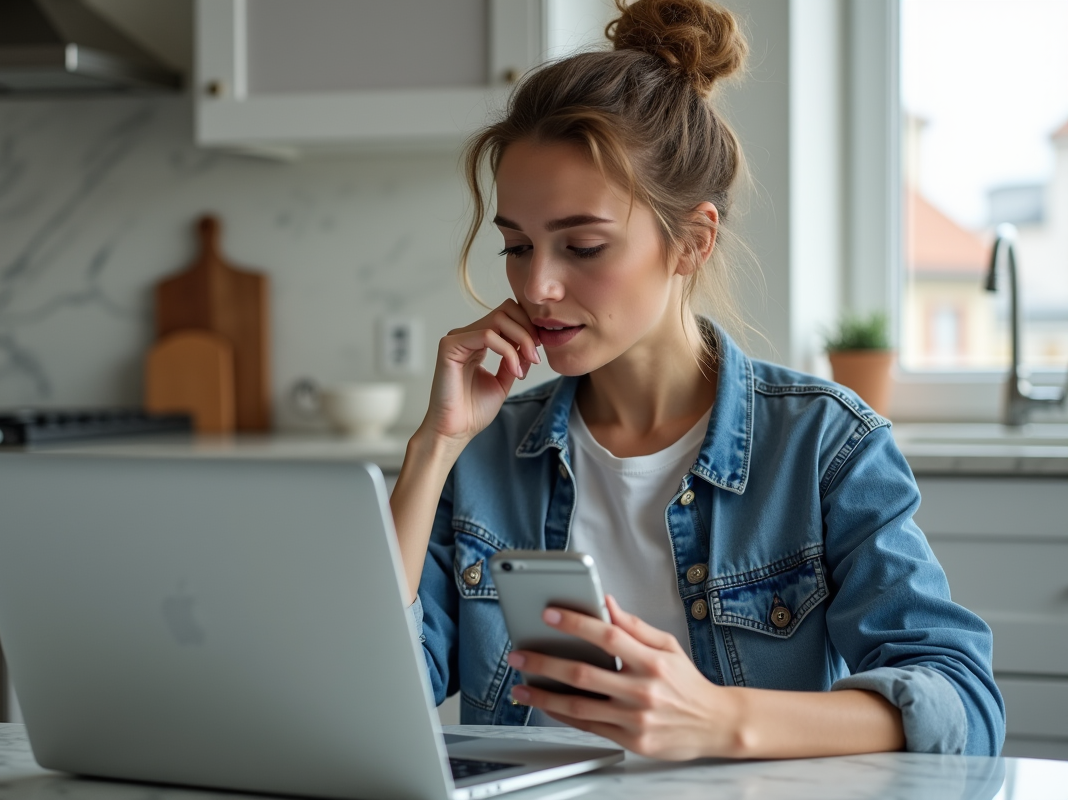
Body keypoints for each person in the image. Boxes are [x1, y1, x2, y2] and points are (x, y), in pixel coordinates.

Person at [388, 0, 1004, 760]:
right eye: (517, 246)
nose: (537, 284)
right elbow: (370, 694)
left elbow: (962, 702)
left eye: (582, 246)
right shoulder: (483, 451)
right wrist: (432, 450)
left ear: (691, 241)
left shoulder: (823, 444)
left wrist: (720, 720)